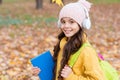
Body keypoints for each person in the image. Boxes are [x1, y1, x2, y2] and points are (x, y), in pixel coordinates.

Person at [32, 0, 106, 80]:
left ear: (81, 24)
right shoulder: (62, 45)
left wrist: (71, 77)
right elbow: (57, 71)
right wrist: (42, 71)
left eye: (71, 22)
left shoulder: (86, 51)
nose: (66, 26)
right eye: (63, 22)